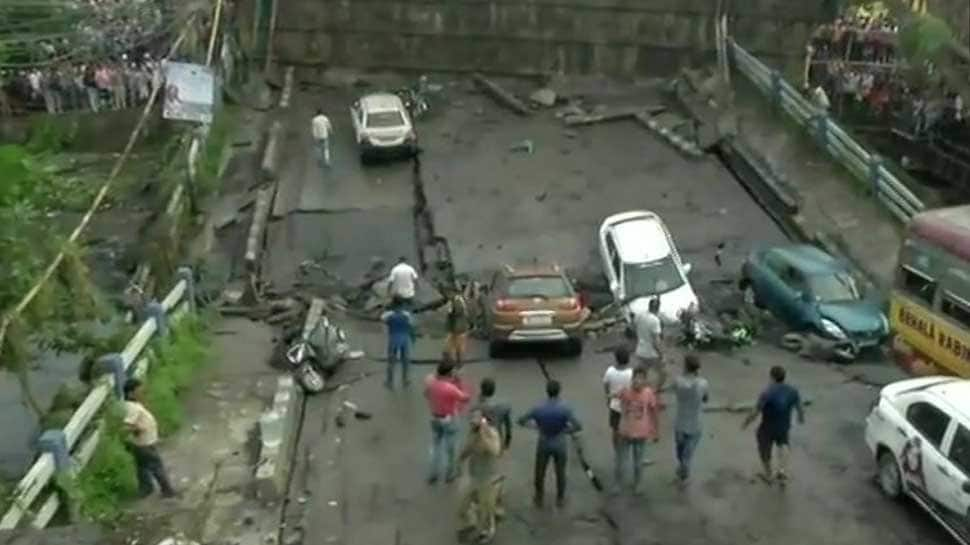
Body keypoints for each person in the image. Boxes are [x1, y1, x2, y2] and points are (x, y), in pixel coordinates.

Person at [517, 380, 582, 508]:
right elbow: (578, 426)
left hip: (544, 441)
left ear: (547, 391)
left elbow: (521, 420)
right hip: (559, 442)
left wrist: (535, 426)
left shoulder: (538, 407)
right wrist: (566, 431)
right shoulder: (565, 408)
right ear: (559, 391)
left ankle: (539, 496)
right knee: (560, 472)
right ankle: (560, 498)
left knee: (540, 471)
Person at [742, 366, 805, 484]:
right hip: (784, 425)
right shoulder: (793, 391)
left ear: (772, 377)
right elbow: (800, 408)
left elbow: (755, 411)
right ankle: (782, 470)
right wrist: (801, 418)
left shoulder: (767, 392)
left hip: (767, 426)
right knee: (783, 444)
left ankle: (769, 474)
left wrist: (746, 422)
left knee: (764, 449)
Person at [122, 379, 177, 498]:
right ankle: (167, 490)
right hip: (144, 444)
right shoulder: (132, 408)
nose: (142, 392)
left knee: (142, 467)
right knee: (156, 466)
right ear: (130, 393)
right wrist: (138, 429)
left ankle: (146, 488)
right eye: (139, 391)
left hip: (142, 443)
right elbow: (127, 425)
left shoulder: (134, 405)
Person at [457, 410, 503, 544]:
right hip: (474, 475)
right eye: (471, 419)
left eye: (475, 419)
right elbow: (468, 448)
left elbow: (495, 451)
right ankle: (471, 524)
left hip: (489, 478)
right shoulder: (473, 433)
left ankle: (487, 532)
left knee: (486, 508)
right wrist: (459, 461)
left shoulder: (492, 434)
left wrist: (483, 433)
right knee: (463, 504)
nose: (472, 422)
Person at [614, 367, 660, 495]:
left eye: (641, 378)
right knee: (621, 460)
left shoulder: (648, 393)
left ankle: (637, 484)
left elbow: (654, 411)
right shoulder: (626, 391)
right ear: (632, 378)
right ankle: (618, 484)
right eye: (636, 378)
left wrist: (655, 430)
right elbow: (615, 397)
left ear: (645, 380)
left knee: (638, 462)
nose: (638, 381)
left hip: (641, 433)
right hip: (625, 431)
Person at [425, 362, 471, 484]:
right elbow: (465, 398)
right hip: (449, 419)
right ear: (449, 373)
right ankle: (450, 474)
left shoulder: (431, 385)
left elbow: (426, 394)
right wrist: (460, 382)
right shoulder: (450, 388)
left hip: (434, 418)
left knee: (435, 446)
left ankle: (433, 474)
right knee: (451, 448)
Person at [673, 353, 709, 483]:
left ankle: (682, 471)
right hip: (696, 424)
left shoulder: (678, 381)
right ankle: (683, 474)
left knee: (680, 452)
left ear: (685, 366)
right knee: (687, 454)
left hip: (680, 424)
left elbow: (675, 391)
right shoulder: (703, 383)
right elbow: (706, 399)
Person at [603, 346, 633, 452]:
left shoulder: (610, 371)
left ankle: (617, 450)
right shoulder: (631, 373)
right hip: (628, 406)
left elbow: (606, 385)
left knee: (615, 429)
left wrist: (607, 397)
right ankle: (630, 450)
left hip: (614, 405)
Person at [633, 297, 666, 392]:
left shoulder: (639, 315)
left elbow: (633, 327)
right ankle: (655, 391)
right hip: (651, 353)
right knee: (663, 373)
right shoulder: (655, 321)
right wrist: (662, 354)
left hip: (640, 350)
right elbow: (656, 341)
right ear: (658, 308)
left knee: (642, 373)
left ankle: (638, 390)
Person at [381, 300, 415, 389]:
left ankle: (389, 381)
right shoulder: (406, 315)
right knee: (405, 360)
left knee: (391, 361)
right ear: (402, 305)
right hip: (404, 339)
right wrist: (412, 337)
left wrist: (386, 309)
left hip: (393, 338)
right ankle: (405, 380)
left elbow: (382, 319)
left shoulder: (389, 315)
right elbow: (411, 325)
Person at [444, 284, 471, 365]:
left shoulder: (455, 300)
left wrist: (450, 309)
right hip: (458, 326)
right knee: (452, 344)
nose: (447, 294)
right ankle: (453, 360)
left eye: (448, 292)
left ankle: (457, 361)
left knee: (458, 345)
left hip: (458, 326)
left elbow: (457, 311)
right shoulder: (460, 299)